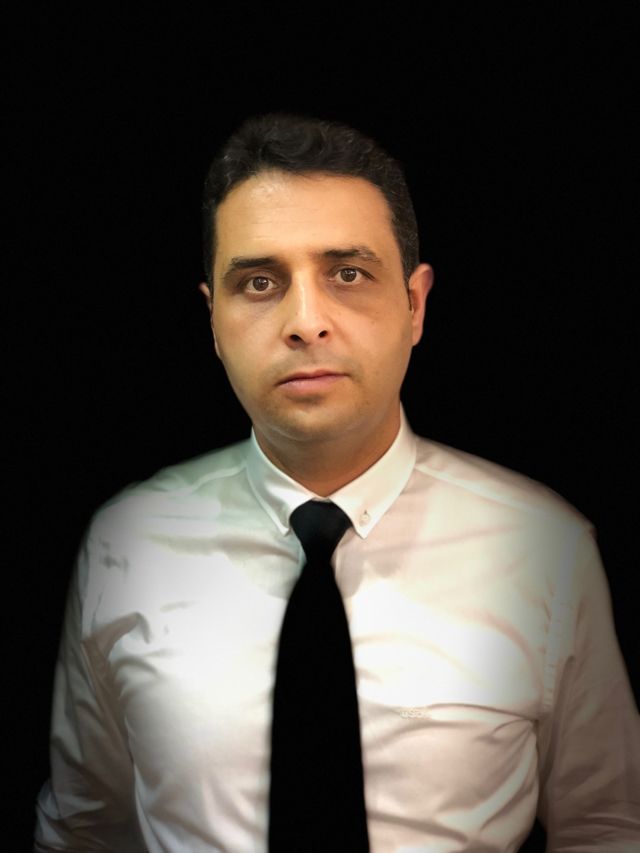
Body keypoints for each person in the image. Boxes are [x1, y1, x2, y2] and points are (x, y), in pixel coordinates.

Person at [34, 113, 639, 852]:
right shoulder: (126, 543)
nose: (305, 321)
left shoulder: (543, 545)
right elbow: (85, 828)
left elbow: (607, 825)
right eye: (259, 282)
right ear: (213, 320)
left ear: (415, 304)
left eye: (348, 274)